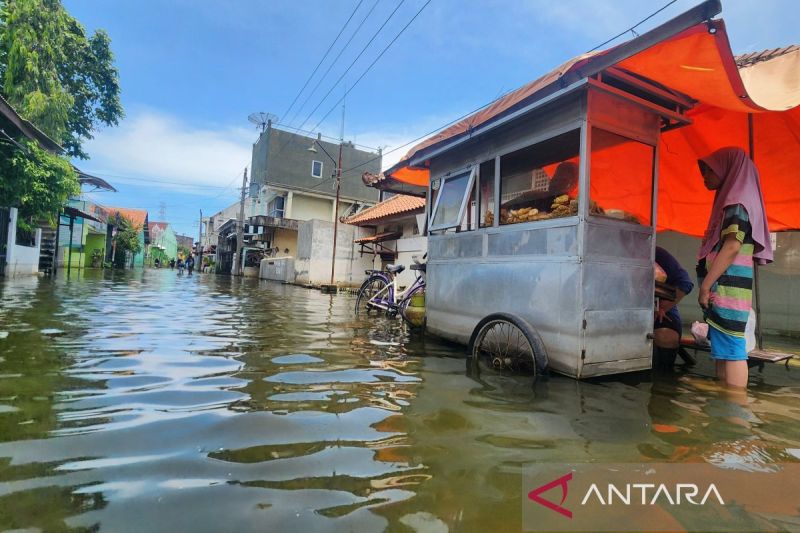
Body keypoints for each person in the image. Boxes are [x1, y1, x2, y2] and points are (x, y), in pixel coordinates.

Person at [696, 147, 772, 389]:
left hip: (728, 290)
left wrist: (706, 286)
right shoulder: (732, 202)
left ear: (726, 169)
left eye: (709, 170)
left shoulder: (737, 203)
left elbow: (731, 247)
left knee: (733, 349)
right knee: (724, 351)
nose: (704, 176)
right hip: (724, 291)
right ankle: (725, 407)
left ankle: (736, 415)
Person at [653, 246, 693, 370]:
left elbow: (685, 283)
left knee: (666, 336)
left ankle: (663, 377)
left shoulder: (656, 253)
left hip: (659, 306)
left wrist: (662, 308)